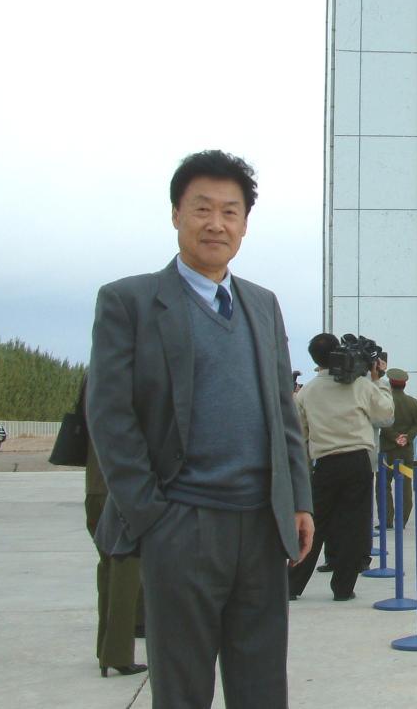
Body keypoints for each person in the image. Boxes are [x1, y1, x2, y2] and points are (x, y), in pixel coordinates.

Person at [86, 150, 314, 709]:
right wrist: (154, 518)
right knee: (183, 688)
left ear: (244, 224)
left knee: (262, 686)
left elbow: (283, 413)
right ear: (175, 215)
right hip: (182, 523)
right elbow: (110, 416)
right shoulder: (130, 302)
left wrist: (299, 500)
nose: (217, 224)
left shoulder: (263, 305)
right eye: (202, 209)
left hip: (261, 525)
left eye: (230, 212)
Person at [289, 333, 393, 601]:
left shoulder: (308, 391)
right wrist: (378, 380)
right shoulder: (360, 384)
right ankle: (343, 588)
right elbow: (385, 416)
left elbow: (300, 433)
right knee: (354, 526)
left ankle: (292, 585)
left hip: (324, 462)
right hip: (357, 460)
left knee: (316, 524)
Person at [81, 375, 146, 679]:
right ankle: (119, 653)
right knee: (125, 571)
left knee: (108, 568)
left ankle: (105, 648)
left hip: (96, 489)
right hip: (120, 491)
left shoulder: (95, 377)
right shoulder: (126, 382)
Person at [378, 369, 417, 526]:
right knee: (405, 485)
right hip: (406, 450)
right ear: (405, 384)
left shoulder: (385, 401)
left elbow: (382, 422)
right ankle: (402, 520)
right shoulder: (413, 402)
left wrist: (394, 436)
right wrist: (407, 437)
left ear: (390, 383)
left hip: (388, 449)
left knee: (384, 485)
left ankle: (387, 520)